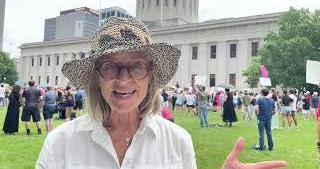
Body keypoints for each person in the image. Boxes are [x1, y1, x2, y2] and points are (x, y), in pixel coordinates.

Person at [36, 17, 286, 168]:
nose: (124, 80)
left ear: (151, 75)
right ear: (96, 77)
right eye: (110, 66)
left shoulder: (177, 141)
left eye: (136, 65)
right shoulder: (62, 143)